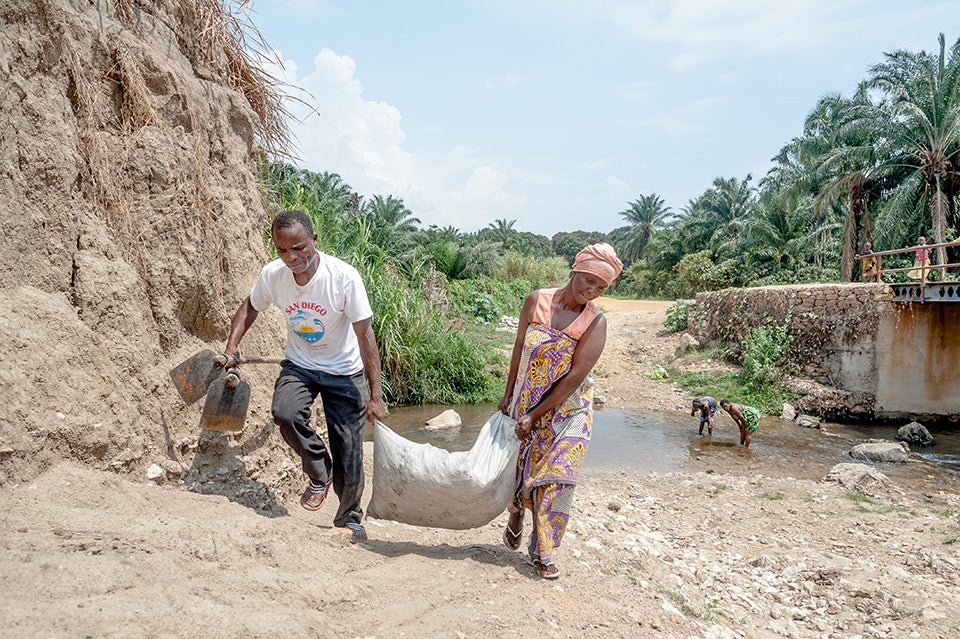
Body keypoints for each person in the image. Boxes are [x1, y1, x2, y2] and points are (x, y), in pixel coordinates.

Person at [223, 209, 386, 544]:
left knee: (350, 449)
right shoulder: (273, 275)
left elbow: (365, 336)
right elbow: (251, 305)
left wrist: (376, 395)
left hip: (344, 371)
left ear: (314, 240)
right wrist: (232, 345)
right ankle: (318, 471)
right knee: (284, 412)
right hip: (301, 365)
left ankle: (350, 520)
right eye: (282, 250)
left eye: (298, 248)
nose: (291, 257)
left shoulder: (343, 277)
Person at [498, 242, 623, 580]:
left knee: (557, 474)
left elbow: (575, 377)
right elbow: (520, 348)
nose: (592, 290)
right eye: (589, 280)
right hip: (526, 400)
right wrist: (509, 394)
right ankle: (516, 513)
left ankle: (544, 551)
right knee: (521, 468)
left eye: (600, 287)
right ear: (575, 270)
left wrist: (537, 414)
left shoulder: (595, 323)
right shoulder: (535, 300)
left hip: (569, 410)